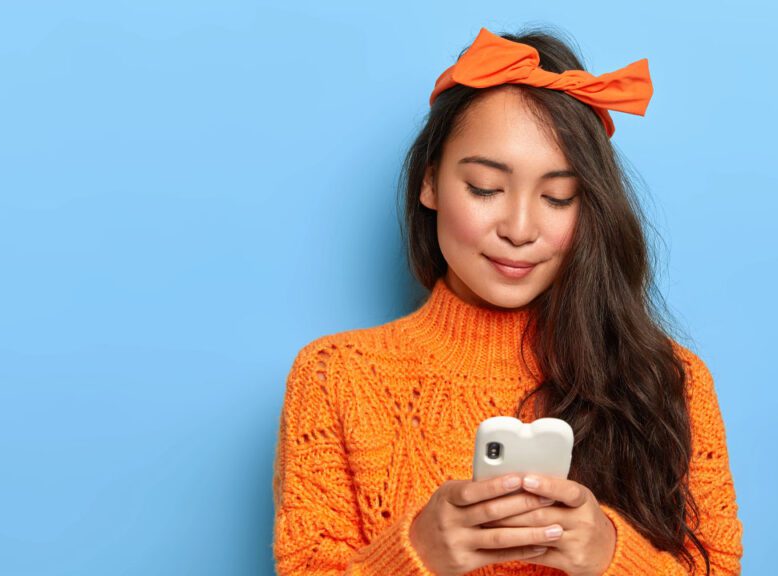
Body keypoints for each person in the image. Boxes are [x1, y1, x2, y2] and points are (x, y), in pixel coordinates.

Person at [272, 24, 743, 576]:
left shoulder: (668, 380)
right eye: (485, 188)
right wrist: (414, 553)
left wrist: (608, 555)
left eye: (557, 197)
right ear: (430, 184)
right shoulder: (334, 378)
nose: (520, 229)